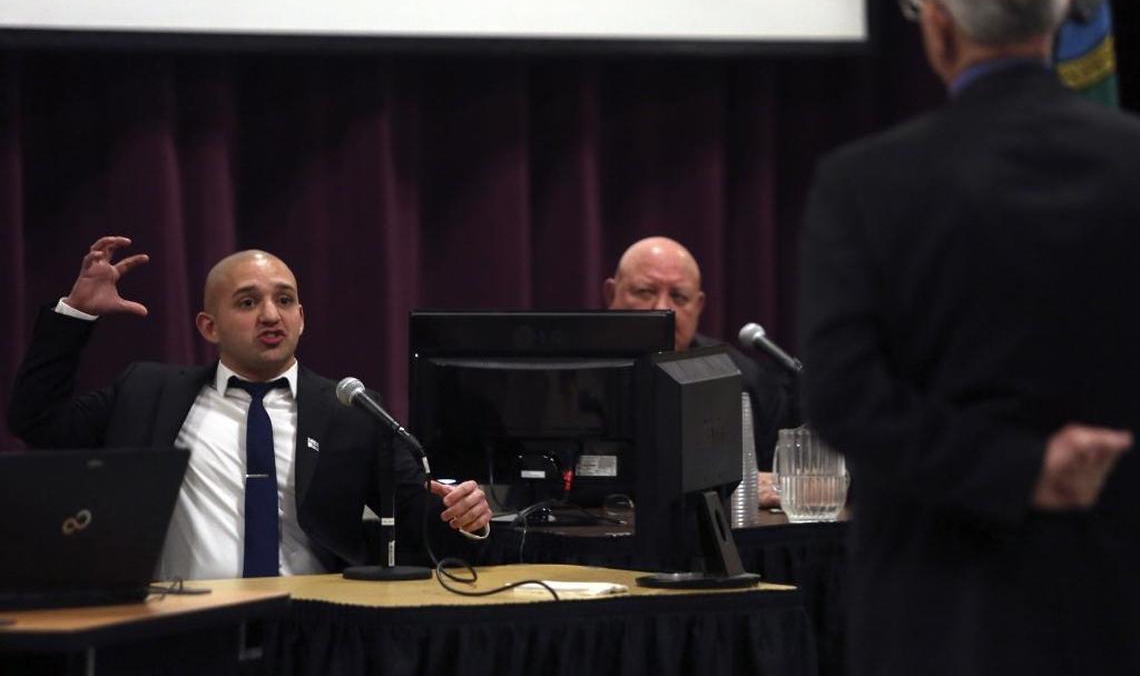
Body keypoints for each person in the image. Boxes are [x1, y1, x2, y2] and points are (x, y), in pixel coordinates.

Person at [798, 0, 1139, 676]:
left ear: (939, 22)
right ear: (1062, 8)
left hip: (940, 610)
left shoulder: (864, 185)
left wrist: (1018, 473)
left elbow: (843, 399)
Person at [9, 236, 491, 580]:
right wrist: (75, 313)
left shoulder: (351, 411)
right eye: (247, 302)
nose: (269, 315)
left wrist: (466, 517)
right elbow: (37, 420)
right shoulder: (147, 392)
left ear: (301, 319)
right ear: (208, 327)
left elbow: (415, 519)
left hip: (311, 628)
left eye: (284, 300)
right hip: (180, 629)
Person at [603, 235, 798, 468]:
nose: (663, 308)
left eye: (679, 296)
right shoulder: (573, 374)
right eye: (645, 291)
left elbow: (780, 476)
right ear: (611, 294)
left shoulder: (743, 380)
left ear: (698, 306)